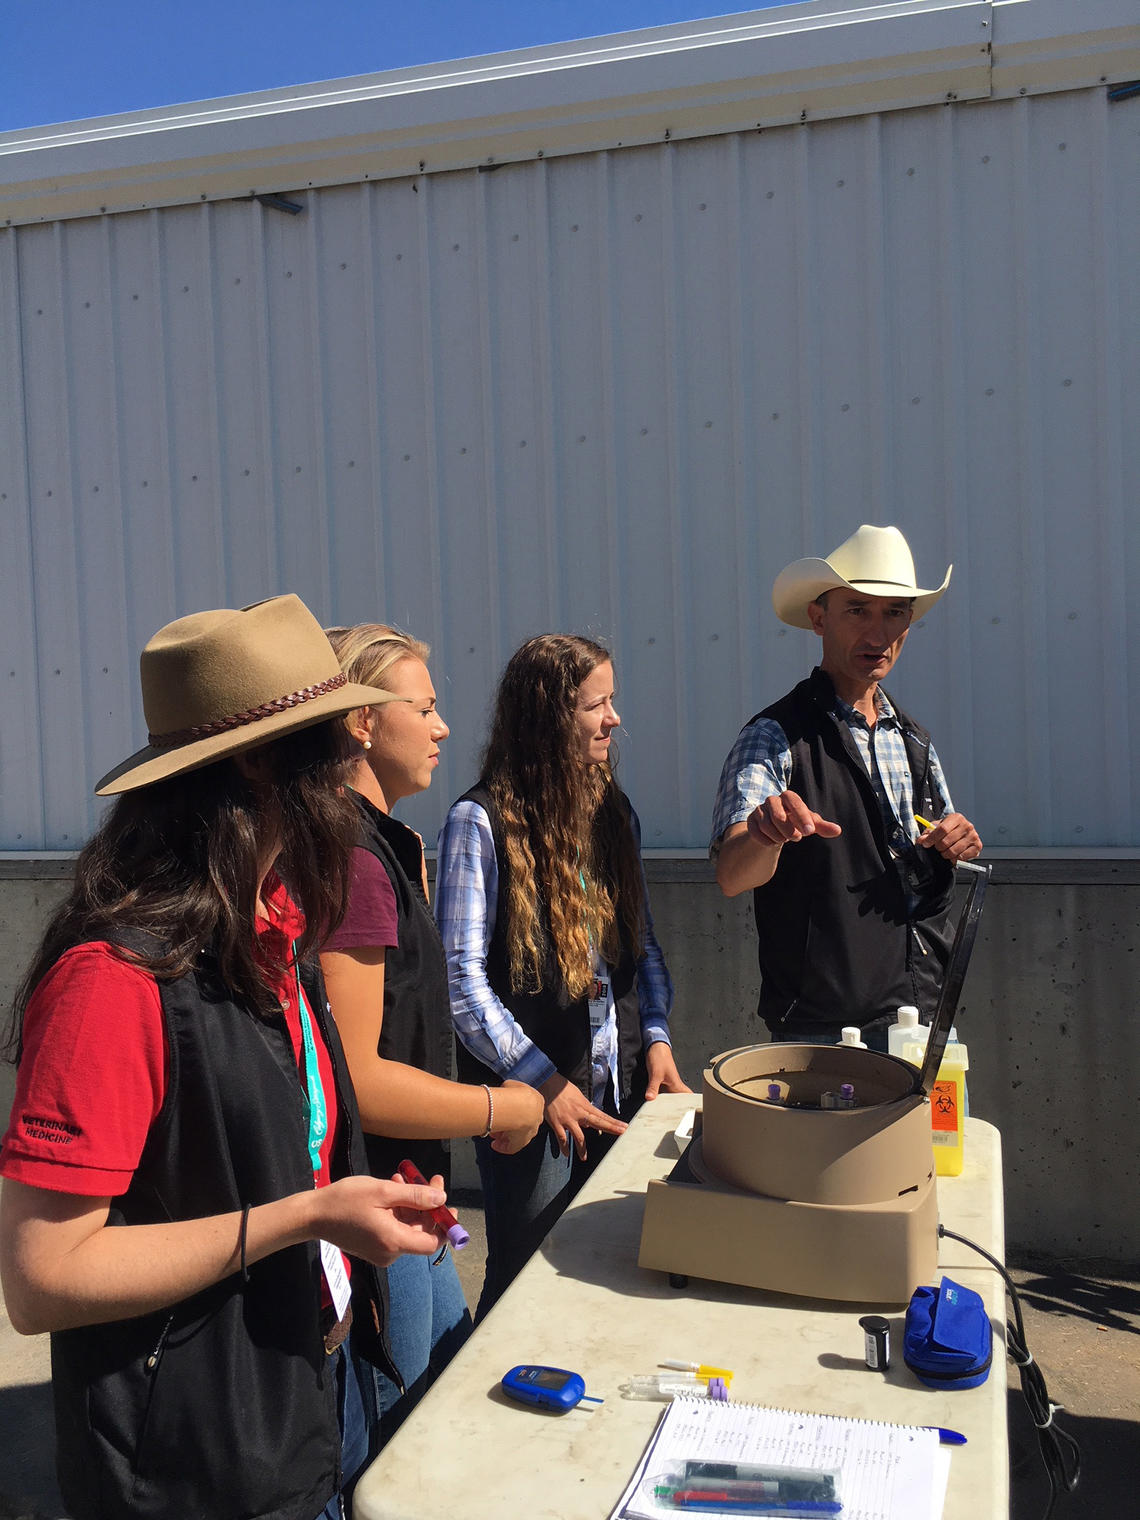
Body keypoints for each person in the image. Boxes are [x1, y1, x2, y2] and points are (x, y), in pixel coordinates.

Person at [0, 595, 453, 1520]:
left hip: (299, 1402)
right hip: (191, 1467)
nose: (351, 765)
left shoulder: (275, 933)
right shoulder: (113, 982)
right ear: (259, 765)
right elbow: (43, 1278)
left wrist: (344, 1208)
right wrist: (305, 1217)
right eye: (331, 743)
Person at [319, 623, 543, 1440]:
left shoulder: (381, 845)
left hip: (413, 1195)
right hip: (378, 1205)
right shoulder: (354, 861)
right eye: (427, 707)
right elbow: (359, 1080)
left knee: (444, 1383)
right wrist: (503, 1109)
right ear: (363, 723)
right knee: (409, 1435)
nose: (444, 728)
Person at [436, 634, 690, 1319]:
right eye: (596, 705)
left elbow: (642, 945)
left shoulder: (613, 811)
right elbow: (462, 986)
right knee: (524, 1295)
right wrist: (541, 1081)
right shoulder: (478, 821)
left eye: (612, 701)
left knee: (613, 1286)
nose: (614, 719)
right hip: (536, 1111)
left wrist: (658, 1039)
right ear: (549, 716)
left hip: (620, 1094)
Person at [711, 524, 983, 1048]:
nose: (878, 634)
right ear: (819, 618)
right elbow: (731, 874)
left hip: (922, 1019)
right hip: (822, 1032)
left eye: (895, 612)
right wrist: (766, 835)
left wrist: (957, 842)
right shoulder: (774, 738)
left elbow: (940, 852)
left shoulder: (914, 740)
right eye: (857, 610)